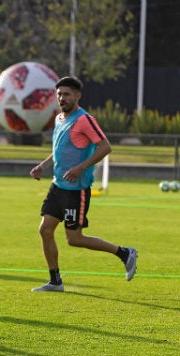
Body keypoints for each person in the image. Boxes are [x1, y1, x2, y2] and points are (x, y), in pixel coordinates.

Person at [29, 76, 138, 292]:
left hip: (75, 190)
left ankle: (124, 253)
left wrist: (81, 167)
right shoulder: (60, 119)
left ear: (77, 96)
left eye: (67, 94)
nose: (62, 98)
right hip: (57, 186)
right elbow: (59, 149)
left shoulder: (85, 120)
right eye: (59, 94)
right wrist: (43, 165)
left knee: (74, 239)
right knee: (45, 229)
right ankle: (55, 281)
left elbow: (105, 147)